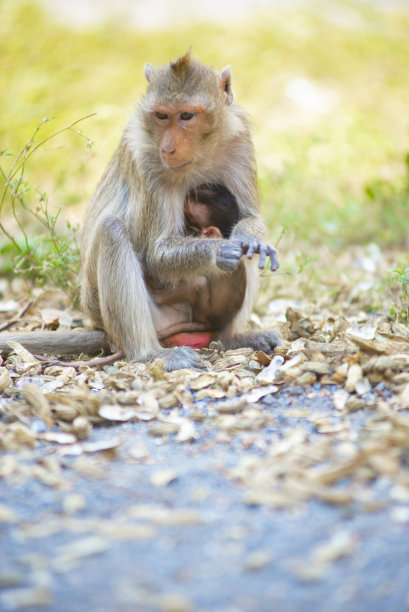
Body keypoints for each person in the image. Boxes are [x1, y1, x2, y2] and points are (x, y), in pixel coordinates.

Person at [149, 185, 245, 348]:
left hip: (206, 314)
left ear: (211, 235)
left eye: (189, 222)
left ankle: (154, 300)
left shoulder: (214, 248)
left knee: (197, 282)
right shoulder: (228, 253)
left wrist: (154, 297)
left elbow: (197, 283)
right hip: (216, 317)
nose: (184, 228)